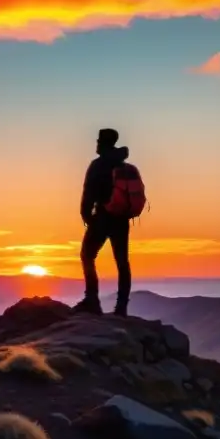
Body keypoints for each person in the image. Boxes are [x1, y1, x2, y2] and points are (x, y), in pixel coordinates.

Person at [75, 128, 133, 317]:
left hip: (102, 217)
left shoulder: (98, 165)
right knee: (122, 262)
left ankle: (92, 300)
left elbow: (88, 192)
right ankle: (121, 308)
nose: (96, 144)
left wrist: (86, 215)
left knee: (87, 255)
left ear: (103, 143)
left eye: (98, 141)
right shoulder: (123, 166)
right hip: (121, 219)